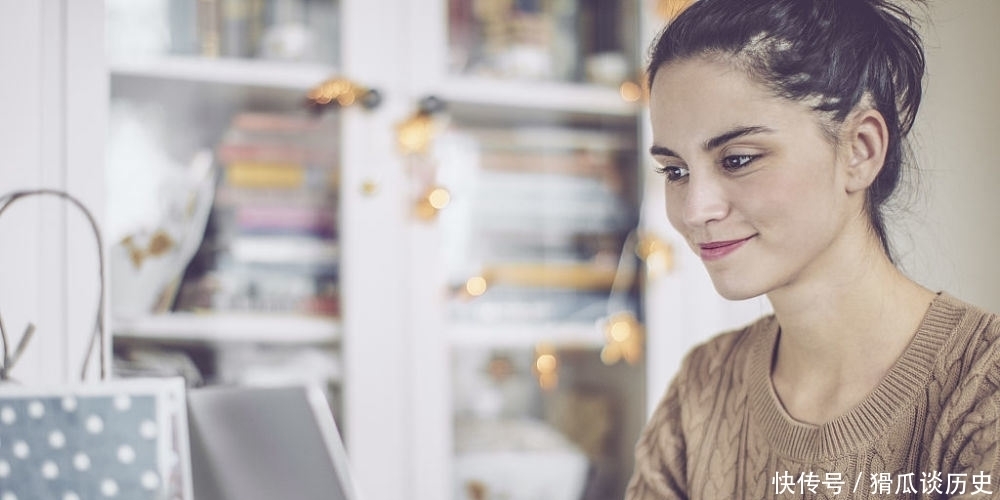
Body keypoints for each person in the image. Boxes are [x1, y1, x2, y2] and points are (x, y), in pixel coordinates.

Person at [628, 0, 1000, 498]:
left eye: (737, 159)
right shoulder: (701, 389)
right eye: (675, 171)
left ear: (860, 150)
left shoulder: (981, 389)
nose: (695, 210)